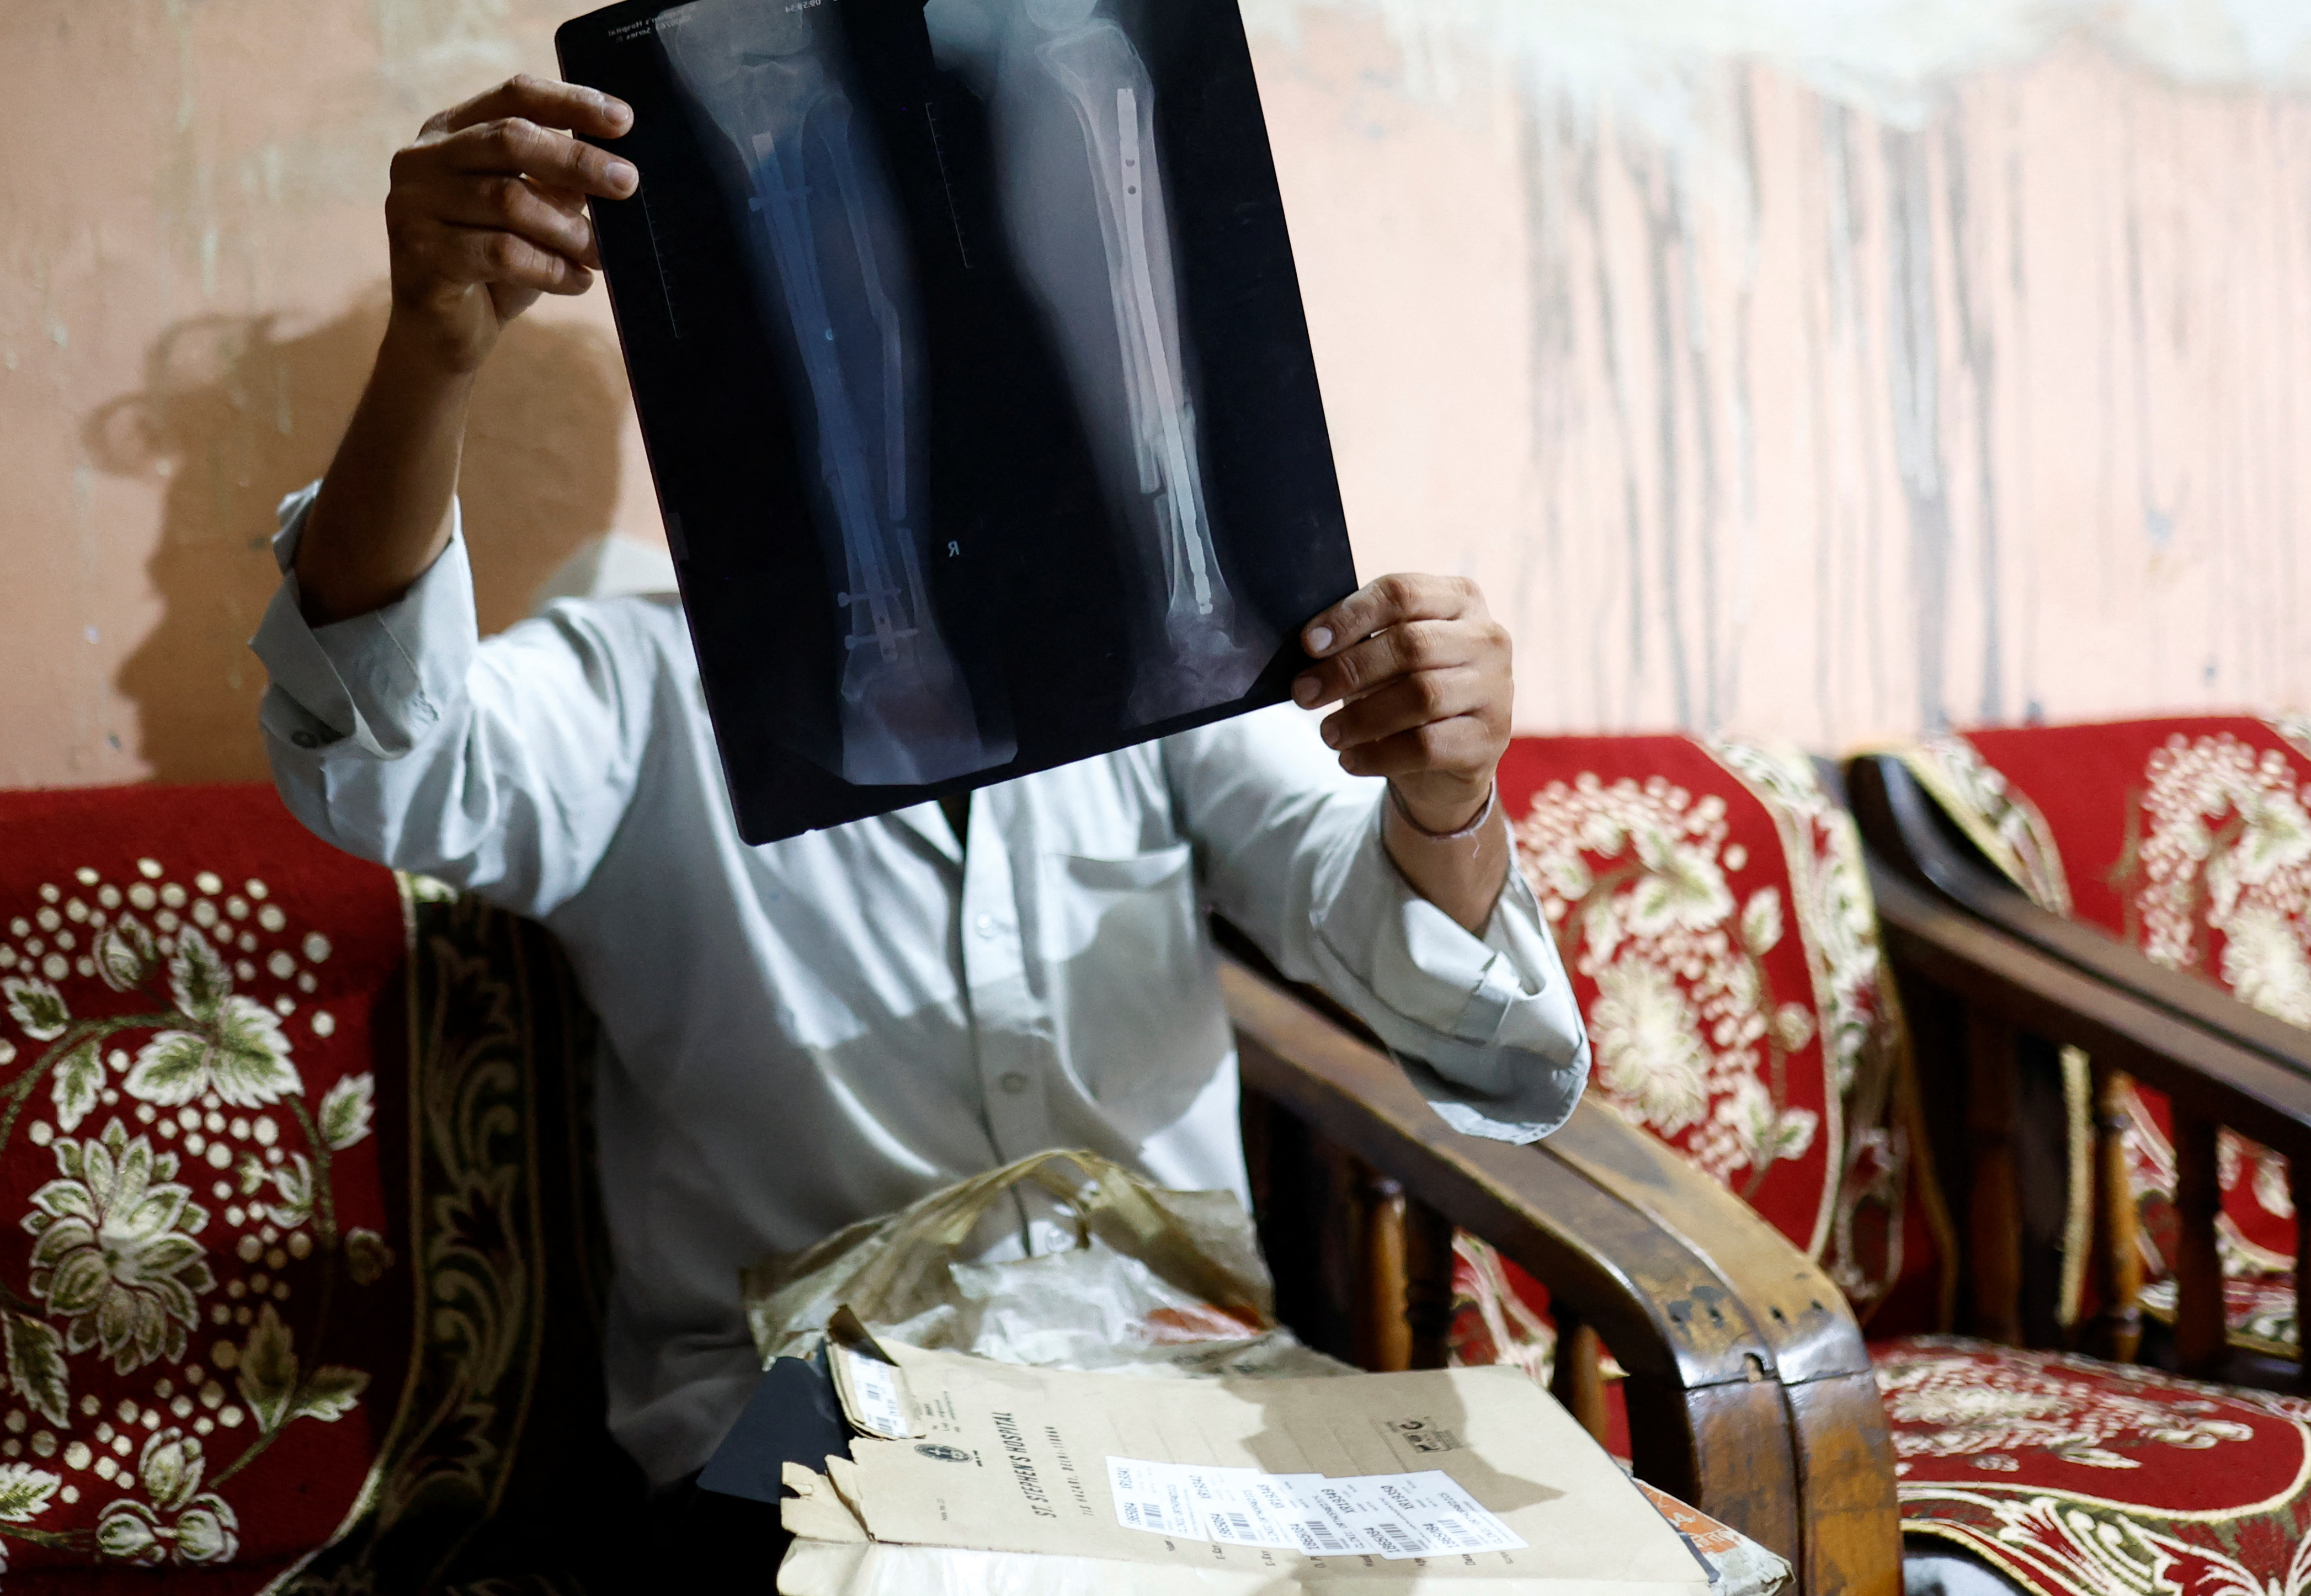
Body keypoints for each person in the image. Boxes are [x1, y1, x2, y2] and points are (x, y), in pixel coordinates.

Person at [252, 76, 1588, 1582]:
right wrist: (435, 342)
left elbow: (1431, 979)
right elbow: (382, 763)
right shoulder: (633, 689)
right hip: (797, 1419)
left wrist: (1444, 790)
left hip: (1183, 1389)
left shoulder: (1165, 659)